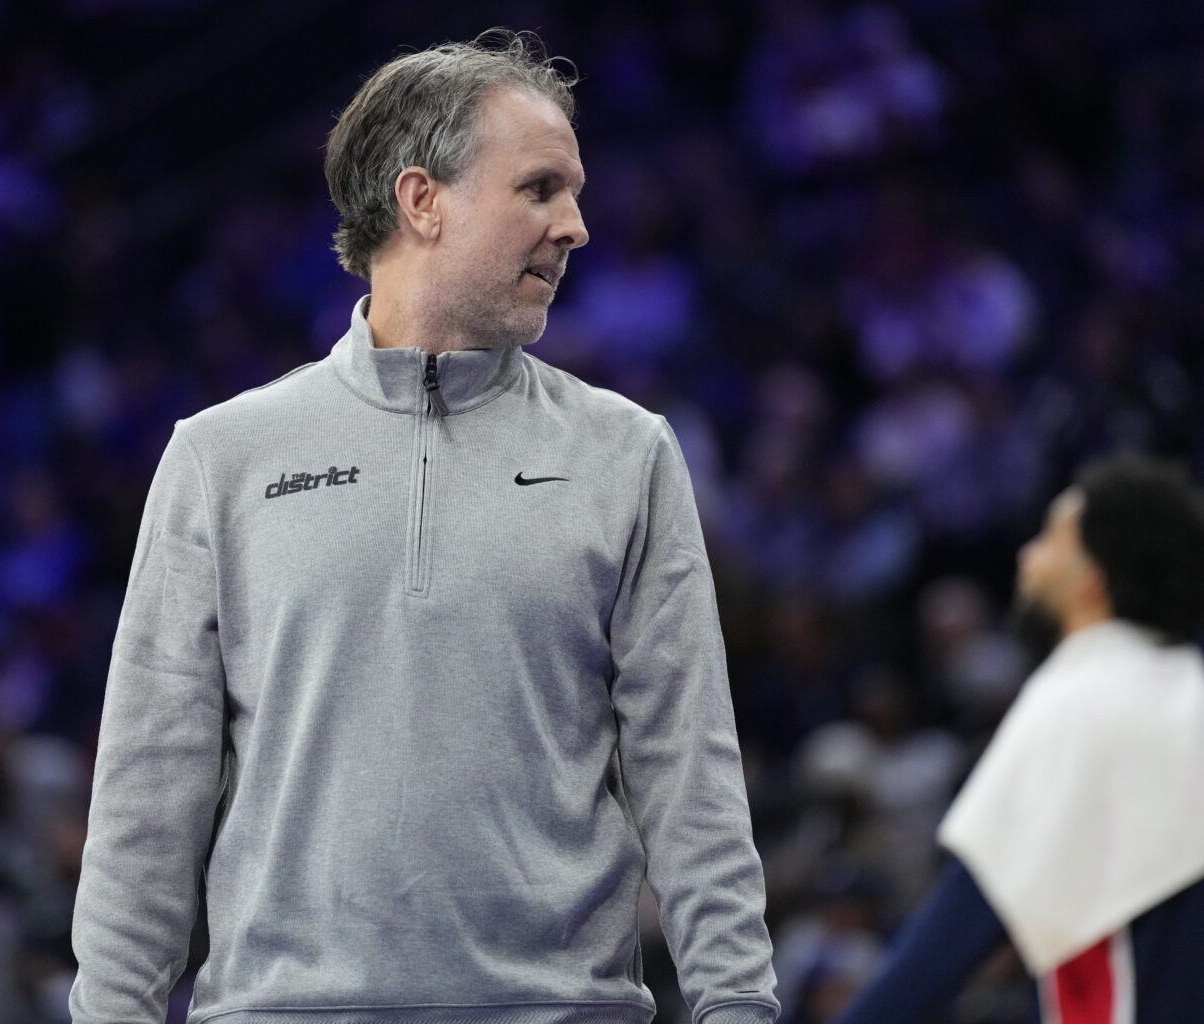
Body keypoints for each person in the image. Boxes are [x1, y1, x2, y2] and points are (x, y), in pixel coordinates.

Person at [68, 27, 779, 1024]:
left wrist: (739, 1006)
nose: (575, 225)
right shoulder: (222, 458)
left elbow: (690, 774)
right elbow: (148, 801)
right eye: (539, 189)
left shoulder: (628, 454)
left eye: (574, 192)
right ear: (422, 201)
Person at [834, 456, 1204, 1024]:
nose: (1025, 556)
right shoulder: (1188, 690)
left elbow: (946, 942)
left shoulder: (1076, 702)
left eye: (1050, 537)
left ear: (1092, 581)